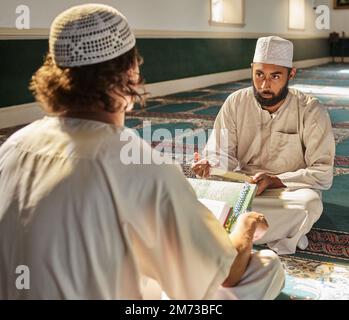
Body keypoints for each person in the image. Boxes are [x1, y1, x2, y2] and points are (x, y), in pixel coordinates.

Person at [0, 4, 284, 300]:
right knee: (264, 268)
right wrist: (247, 225)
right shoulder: (141, 166)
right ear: (131, 72)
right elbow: (227, 273)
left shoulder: (13, 147)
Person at [192, 36, 335, 255]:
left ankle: (228, 228)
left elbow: (322, 173)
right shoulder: (235, 102)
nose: (265, 85)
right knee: (196, 193)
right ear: (252, 70)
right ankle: (249, 230)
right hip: (245, 187)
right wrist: (210, 165)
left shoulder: (310, 110)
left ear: (291, 74)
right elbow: (221, 153)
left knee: (308, 206)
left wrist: (275, 180)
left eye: (275, 76)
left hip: (289, 191)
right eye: (259, 74)